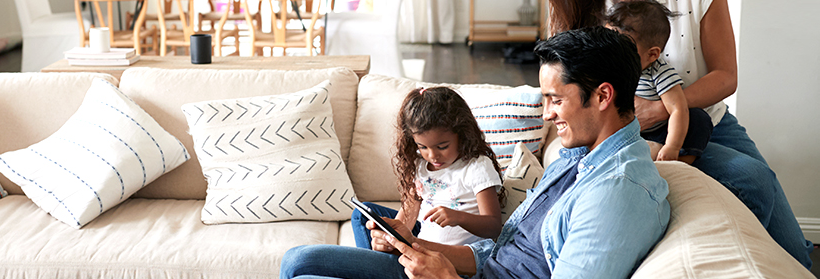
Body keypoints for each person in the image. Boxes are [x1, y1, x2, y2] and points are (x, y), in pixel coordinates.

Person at [539, 0, 814, 267]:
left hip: (707, 119)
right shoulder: (585, 8)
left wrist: (659, 108)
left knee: (792, 246)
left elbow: (725, 76)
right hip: (631, 133)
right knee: (751, 179)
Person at [281, 27, 669, 279]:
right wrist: (419, 247)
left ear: (603, 96)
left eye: (555, 99)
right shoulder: (577, 158)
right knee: (300, 262)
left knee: (303, 266)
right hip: (473, 268)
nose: (548, 113)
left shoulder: (618, 193)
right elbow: (501, 253)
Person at [351, 87, 504, 250]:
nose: (432, 155)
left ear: (462, 134)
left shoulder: (477, 167)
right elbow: (406, 220)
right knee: (362, 215)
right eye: (422, 147)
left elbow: (494, 226)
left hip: (450, 257)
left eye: (442, 146)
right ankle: (379, 261)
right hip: (419, 247)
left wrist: (458, 217)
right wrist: (390, 240)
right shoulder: (420, 166)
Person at [605, 0, 710, 164]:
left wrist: (672, 146)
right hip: (626, 131)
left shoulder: (659, 73)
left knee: (698, 118)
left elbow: (677, 109)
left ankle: (682, 160)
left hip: (660, 132)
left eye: (623, 49)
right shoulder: (609, 69)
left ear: (652, 54)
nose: (612, 55)